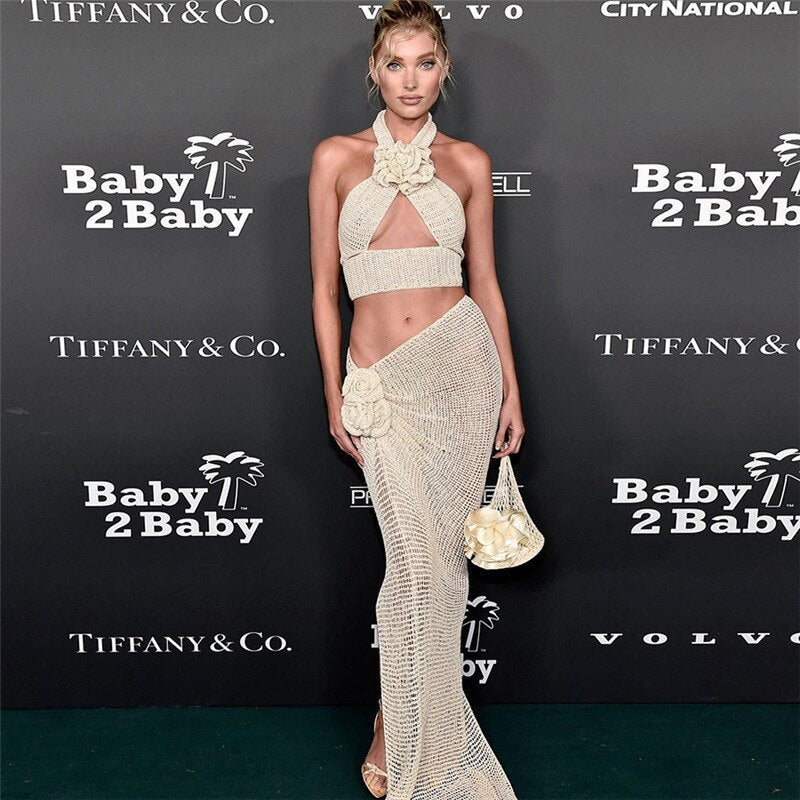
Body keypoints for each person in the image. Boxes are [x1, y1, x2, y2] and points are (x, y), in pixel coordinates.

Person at [309, 1, 524, 797]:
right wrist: (334, 388)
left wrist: (510, 387)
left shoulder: (468, 162)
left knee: (444, 570)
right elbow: (323, 290)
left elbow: (486, 283)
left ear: (444, 69)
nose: (410, 80)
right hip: (382, 383)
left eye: (425, 63)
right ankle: (407, 727)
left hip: (461, 371)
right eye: (395, 64)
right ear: (375, 70)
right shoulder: (336, 157)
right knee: (413, 565)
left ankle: (394, 724)